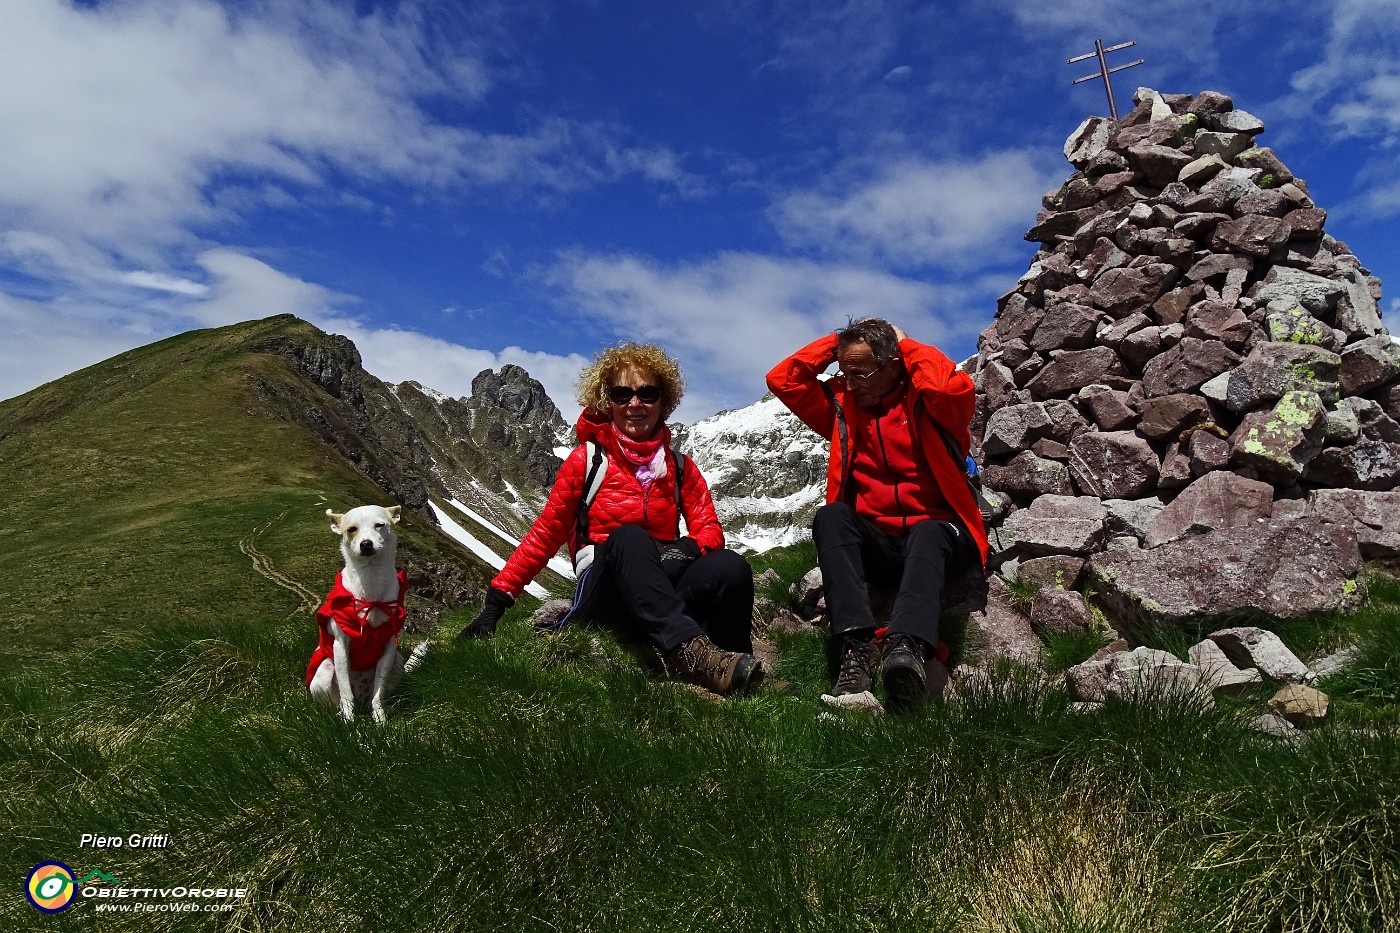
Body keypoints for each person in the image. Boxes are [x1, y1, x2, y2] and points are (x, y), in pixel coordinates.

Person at [459, 342, 763, 697]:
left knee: (730, 566)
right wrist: (496, 603)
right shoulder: (587, 461)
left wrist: (689, 546)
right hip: (606, 594)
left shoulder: (681, 468)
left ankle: (739, 669)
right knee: (629, 538)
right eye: (622, 394)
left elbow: (709, 528)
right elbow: (545, 534)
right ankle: (692, 655)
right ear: (608, 403)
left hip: (661, 584)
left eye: (647, 393)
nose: (635, 404)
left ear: (665, 402)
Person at [766, 318, 988, 710]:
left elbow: (947, 385)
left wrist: (907, 344)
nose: (850, 384)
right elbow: (783, 379)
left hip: (943, 540)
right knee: (831, 516)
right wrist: (838, 342)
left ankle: (908, 646)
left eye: (861, 373)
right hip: (881, 547)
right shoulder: (843, 407)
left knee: (929, 532)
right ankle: (857, 646)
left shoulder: (933, 404)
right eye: (844, 372)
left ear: (891, 364)